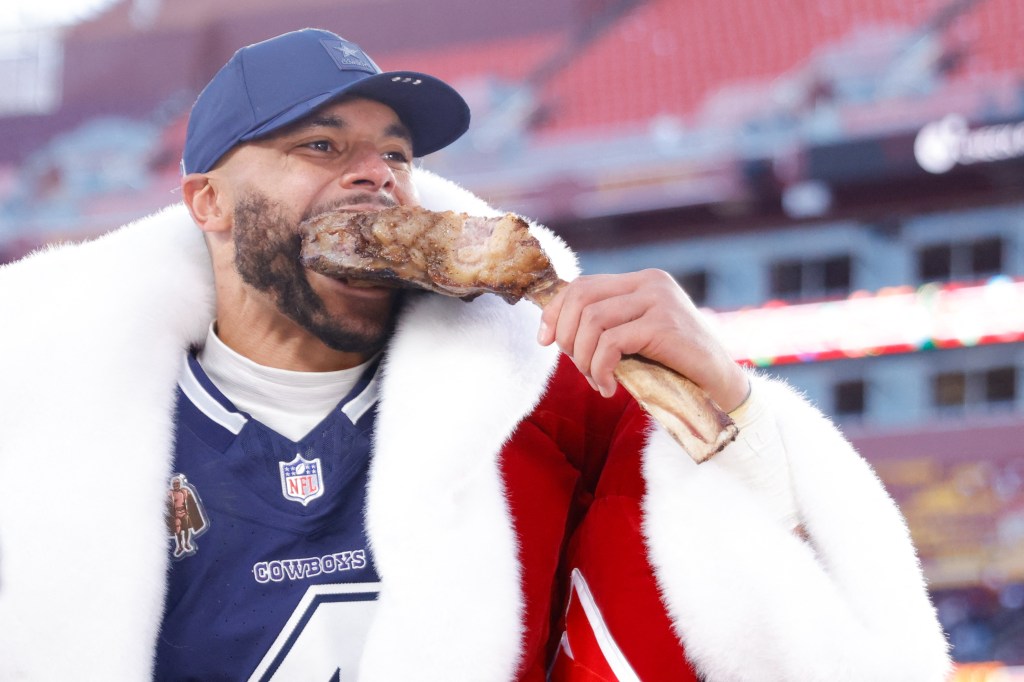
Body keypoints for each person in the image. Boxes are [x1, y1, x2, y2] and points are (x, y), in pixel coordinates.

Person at [0, 28, 950, 681]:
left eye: (395, 156)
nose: (376, 176)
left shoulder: (543, 405)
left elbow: (774, 619)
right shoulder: (63, 441)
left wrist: (729, 404)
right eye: (321, 146)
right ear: (207, 202)